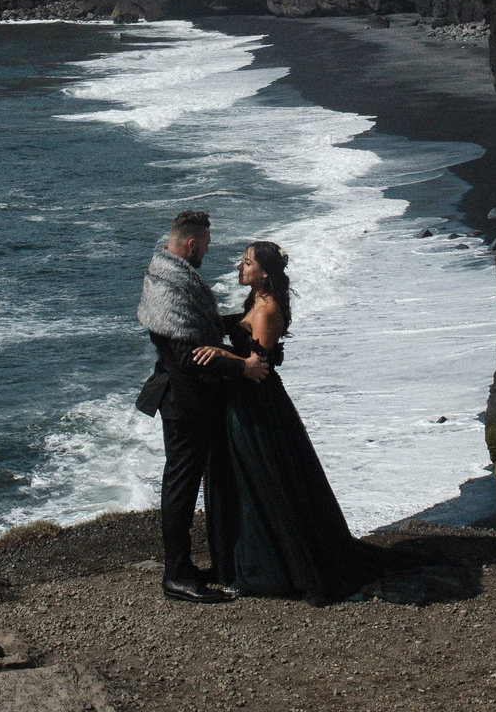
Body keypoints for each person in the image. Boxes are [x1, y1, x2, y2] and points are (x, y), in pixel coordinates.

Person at [196, 240, 410, 605]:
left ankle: (266, 570)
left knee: (258, 482)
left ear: (264, 272)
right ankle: (249, 564)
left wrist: (220, 352)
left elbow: (258, 366)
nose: (240, 267)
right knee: (253, 481)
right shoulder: (256, 302)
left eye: (247, 263)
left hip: (256, 404)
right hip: (251, 402)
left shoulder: (265, 311)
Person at [136, 209, 267, 604]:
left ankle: (192, 565)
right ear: (191, 243)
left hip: (186, 397)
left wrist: (241, 321)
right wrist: (242, 366)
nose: (207, 252)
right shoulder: (170, 287)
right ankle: (175, 575)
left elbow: (199, 327)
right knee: (181, 486)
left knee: (188, 483)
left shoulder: (170, 276)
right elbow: (189, 355)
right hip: (183, 403)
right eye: (206, 245)